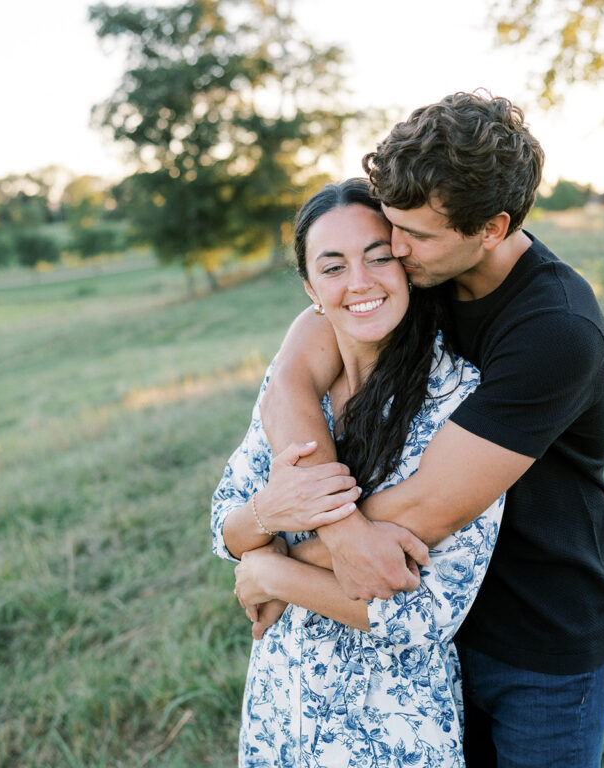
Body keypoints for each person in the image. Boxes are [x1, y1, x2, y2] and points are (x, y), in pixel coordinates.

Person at [258, 92, 604, 767]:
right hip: (428, 631)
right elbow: (290, 376)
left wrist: (274, 562)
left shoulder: (555, 329)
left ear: (492, 227)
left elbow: (429, 509)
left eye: (414, 235)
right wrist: (329, 532)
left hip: (539, 643)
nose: (394, 250)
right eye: (393, 224)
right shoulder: (414, 270)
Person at [210, 178, 505, 766]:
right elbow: (226, 527)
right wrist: (268, 514)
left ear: (406, 264)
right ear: (311, 289)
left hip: (392, 725)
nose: (361, 282)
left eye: (377, 257)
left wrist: (274, 573)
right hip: (281, 706)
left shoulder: (460, 399)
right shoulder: (292, 389)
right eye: (334, 266)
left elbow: (430, 612)